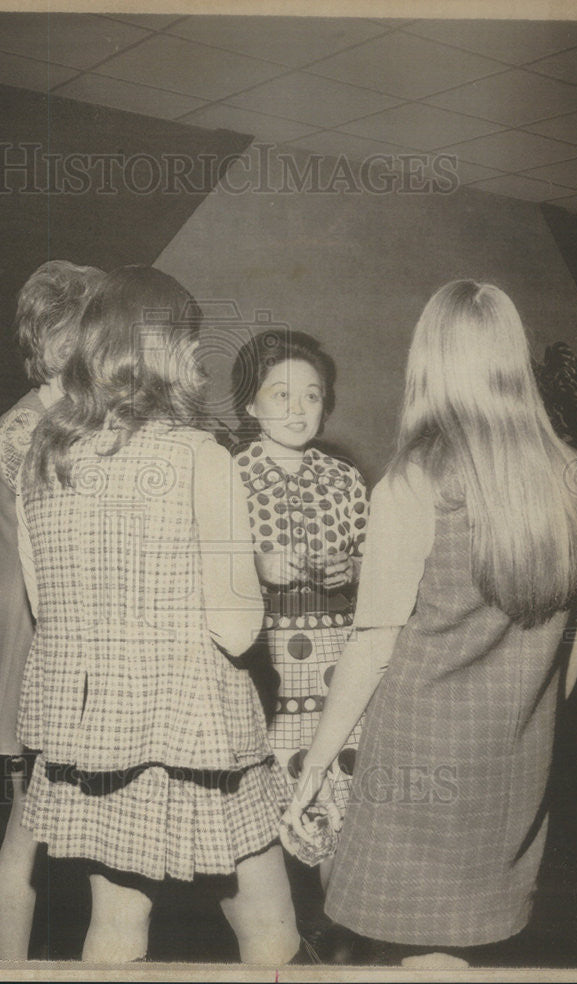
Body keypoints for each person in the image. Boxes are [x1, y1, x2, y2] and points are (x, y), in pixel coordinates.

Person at [282, 280, 577, 967]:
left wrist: (314, 762)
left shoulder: (414, 483)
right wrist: (523, 718)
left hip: (417, 758)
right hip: (515, 760)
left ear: (428, 363)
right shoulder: (575, 479)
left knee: (416, 949)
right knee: (455, 950)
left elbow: (371, 645)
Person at [16, 265, 301, 964]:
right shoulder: (199, 455)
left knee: (114, 928)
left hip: (91, 730)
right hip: (195, 727)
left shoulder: (40, 457)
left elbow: (42, 601)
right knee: (271, 933)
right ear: (171, 351)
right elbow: (236, 628)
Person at [0, 259, 104, 960]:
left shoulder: (69, 419)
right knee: (27, 826)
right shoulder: (30, 428)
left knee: (83, 832)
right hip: (35, 636)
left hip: (48, 630)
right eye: (83, 332)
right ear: (52, 343)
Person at [230, 331, 369, 958]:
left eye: (311, 395)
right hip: (265, 670)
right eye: (280, 394)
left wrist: (355, 570)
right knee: (270, 811)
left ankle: (341, 932)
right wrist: (255, 565)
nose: (297, 408)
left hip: (337, 672)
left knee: (342, 801)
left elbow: (374, 562)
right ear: (250, 405)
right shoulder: (230, 475)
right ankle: (285, 940)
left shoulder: (343, 479)